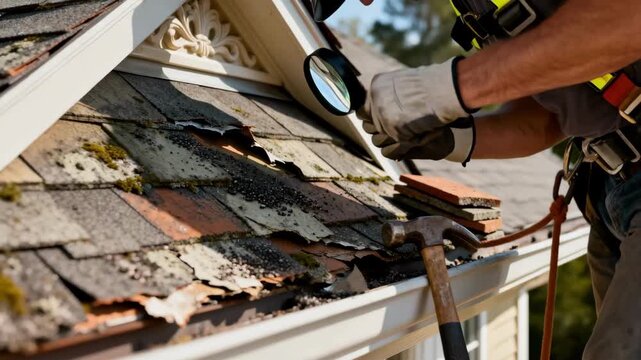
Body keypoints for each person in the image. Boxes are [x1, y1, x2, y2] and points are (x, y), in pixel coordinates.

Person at [364, 0, 641, 358]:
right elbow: (550, 117)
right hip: (610, 193)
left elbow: (627, 18)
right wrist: (458, 139)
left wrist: (444, 88)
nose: (364, 4)